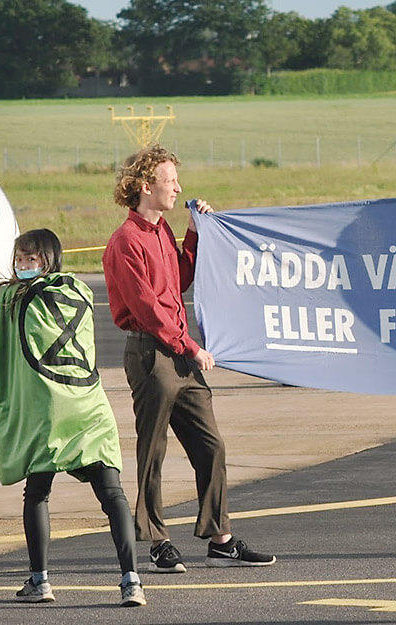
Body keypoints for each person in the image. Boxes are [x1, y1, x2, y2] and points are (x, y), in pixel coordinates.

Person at [0, 229, 146, 607]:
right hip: (90, 408)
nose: (23, 266)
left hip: (47, 415)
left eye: (31, 260)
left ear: (47, 260)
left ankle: (40, 580)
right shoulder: (79, 291)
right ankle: (132, 581)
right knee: (112, 494)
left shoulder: (16, 297)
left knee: (38, 492)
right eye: (21, 259)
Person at [102, 144, 276, 573]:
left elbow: (178, 280)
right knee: (153, 450)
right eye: (170, 181)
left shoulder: (162, 231)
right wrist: (190, 347)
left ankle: (220, 540)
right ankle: (157, 541)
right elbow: (147, 308)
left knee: (210, 445)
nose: (178, 188)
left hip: (178, 351)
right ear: (146, 186)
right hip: (152, 353)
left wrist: (196, 231)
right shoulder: (125, 242)